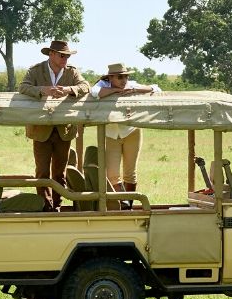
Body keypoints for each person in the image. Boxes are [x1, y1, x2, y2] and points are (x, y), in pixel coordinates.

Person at [17, 40, 90, 210]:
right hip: (40, 129)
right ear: (51, 54)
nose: (65, 58)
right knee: (42, 172)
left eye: (67, 56)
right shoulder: (36, 70)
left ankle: (57, 206)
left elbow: (85, 86)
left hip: (64, 129)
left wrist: (68, 90)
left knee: (60, 173)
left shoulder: (72, 72)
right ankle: (44, 206)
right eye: (62, 55)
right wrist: (43, 90)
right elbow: (23, 87)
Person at [92, 63, 162, 202]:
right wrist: (115, 91)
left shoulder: (131, 85)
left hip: (131, 131)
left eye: (126, 76)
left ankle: (127, 205)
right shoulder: (101, 85)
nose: (124, 80)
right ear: (110, 78)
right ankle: (118, 204)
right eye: (120, 77)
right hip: (111, 134)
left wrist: (135, 89)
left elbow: (156, 88)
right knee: (112, 174)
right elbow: (94, 93)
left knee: (130, 173)